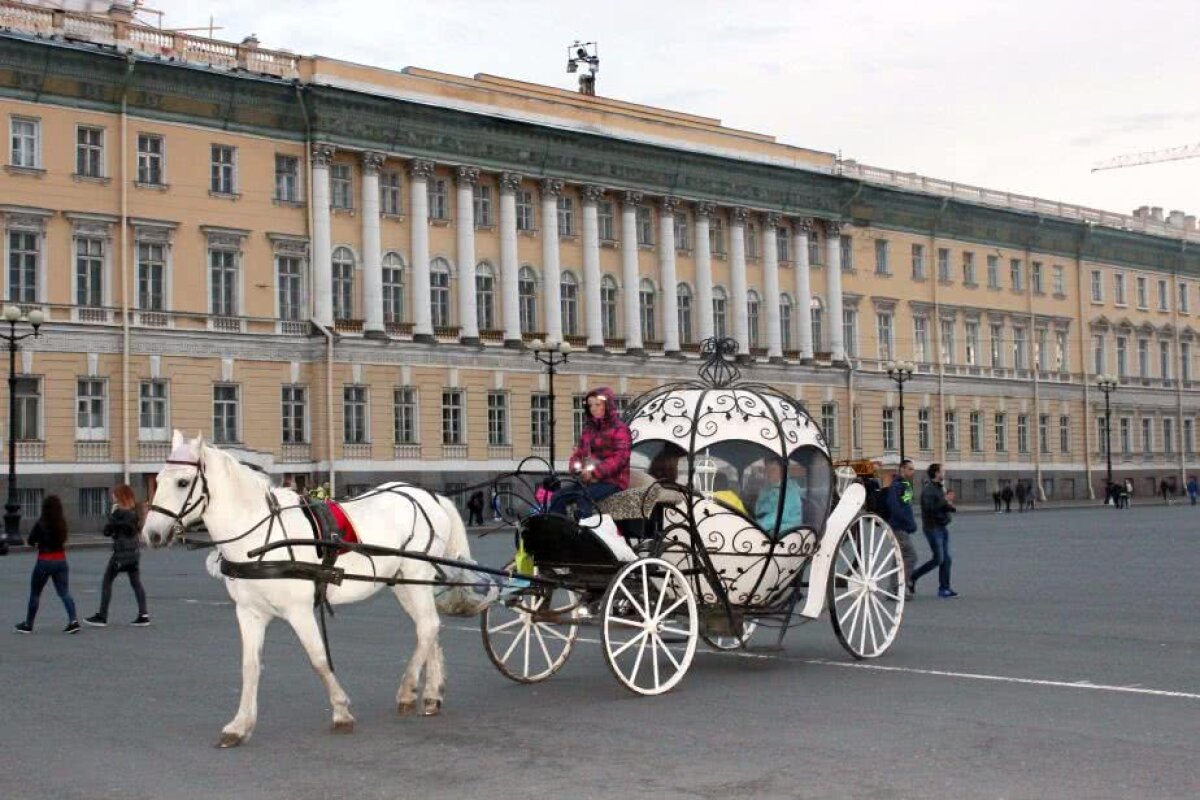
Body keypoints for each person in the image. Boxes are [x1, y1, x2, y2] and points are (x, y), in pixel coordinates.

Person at [550, 387, 631, 518]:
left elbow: (620, 458)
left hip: (613, 481)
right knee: (558, 496)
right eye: (590, 405)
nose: (593, 408)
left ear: (607, 406)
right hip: (589, 480)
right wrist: (576, 469)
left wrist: (594, 473)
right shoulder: (589, 429)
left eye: (597, 404)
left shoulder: (620, 429)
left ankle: (585, 529)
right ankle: (558, 528)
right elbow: (579, 453)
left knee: (584, 497)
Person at [85, 484, 150, 627]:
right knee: (136, 583)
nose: (112, 496)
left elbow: (107, 531)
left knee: (107, 581)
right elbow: (136, 529)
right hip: (133, 552)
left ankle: (102, 616)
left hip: (120, 553)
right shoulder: (134, 513)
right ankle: (143, 614)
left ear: (120, 497)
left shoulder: (118, 513)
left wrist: (111, 517)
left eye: (114, 494)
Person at [14, 495, 80, 634]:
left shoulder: (41, 523)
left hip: (44, 559)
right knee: (64, 592)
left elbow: (31, 540)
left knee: (35, 593)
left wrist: (38, 543)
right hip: (60, 560)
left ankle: (28, 624)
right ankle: (73, 620)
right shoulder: (61, 523)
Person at [913, 463, 958, 599]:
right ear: (937, 473)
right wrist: (945, 502)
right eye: (942, 471)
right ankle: (913, 576)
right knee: (938, 559)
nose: (944, 473)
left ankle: (944, 588)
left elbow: (940, 505)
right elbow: (929, 508)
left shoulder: (939, 488)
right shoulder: (929, 490)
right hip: (932, 528)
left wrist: (949, 507)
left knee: (946, 559)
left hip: (941, 527)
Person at [882, 459, 918, 598]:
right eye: (910, 469)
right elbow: (894, 506)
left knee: (899, 557)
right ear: (902, 469)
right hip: (898, 526)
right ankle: (899, 587)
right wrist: (905, 521)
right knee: (911, 556)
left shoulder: (906, 484)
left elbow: (906, 505)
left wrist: (910, 523)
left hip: (903, 526)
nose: (912, 472)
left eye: (913, 469)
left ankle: (893, 589)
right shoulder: (897, 485)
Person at [754, 456, 803, 535]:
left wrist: (755, 528)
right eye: (767, 469)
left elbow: (777, 516)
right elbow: (758, 510)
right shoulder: (766, 488)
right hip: (769, 527)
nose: (769, 473)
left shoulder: (789, 490)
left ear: (782, 470)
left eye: (773, 469)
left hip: (787, 532)